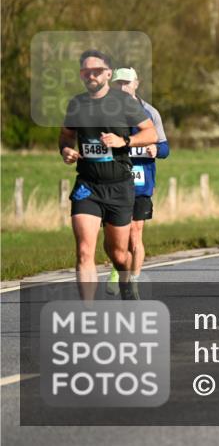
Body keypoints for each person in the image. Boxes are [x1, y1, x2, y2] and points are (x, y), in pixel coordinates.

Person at [60, 50, 157, 300]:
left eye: (96, 71)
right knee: (84, 251)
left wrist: (124, 140)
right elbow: (67, 134)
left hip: (119, 186)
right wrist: (66, 150)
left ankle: (125, 282)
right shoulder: (76, 103)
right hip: (87, 185)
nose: (90, 75)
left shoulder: (124, 102)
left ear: (107, 74)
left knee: (118, 254)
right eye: (85, 71)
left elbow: (151, 134)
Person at [106, 68, 169, 297]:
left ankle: (132, 280)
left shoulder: (150, 113)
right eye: (118, 83)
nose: (123, 87)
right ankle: (117, 268)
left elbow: (165, 147)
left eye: (127, 82)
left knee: (135, 231)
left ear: (136, 84)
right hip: (113, 179)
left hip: (141, 180)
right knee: (115, 233)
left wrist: (155, 149)